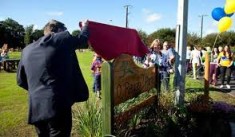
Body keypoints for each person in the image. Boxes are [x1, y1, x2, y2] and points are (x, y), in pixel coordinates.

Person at [17, 19, 89, 137]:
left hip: (36, 106)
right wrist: (86, 26)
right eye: (65, 31)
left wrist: (37, 92)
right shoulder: (61, 38)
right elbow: (82, 39)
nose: (68, 34)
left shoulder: (26, 50)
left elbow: (20, 80)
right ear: (57, 31)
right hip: (57, 105)